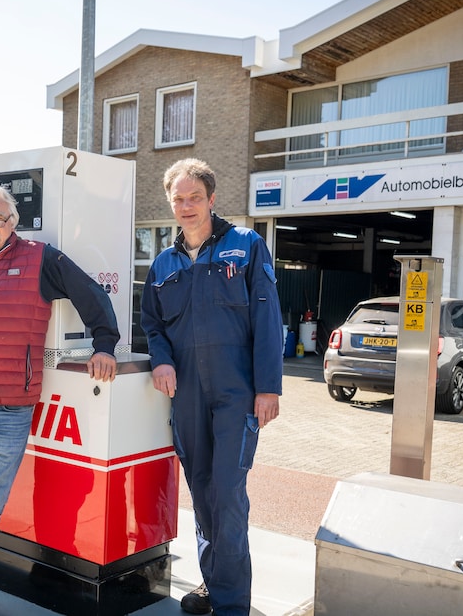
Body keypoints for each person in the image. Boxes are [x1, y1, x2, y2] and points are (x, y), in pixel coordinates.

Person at [0, 184, 120, 616]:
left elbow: (91, 293)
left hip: (10, 405)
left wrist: (104, 344)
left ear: (13, 222)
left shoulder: (40, 259)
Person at [139, 159, 283, 616]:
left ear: (211, 199)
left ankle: (231, 605)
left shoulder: (246, 245)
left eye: (195, 197)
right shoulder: (163, 264)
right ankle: (214, 583)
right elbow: (152, 323)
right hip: (188, 395)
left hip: (236, 391)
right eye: (178, 199)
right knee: (201, 491)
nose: (187, 206)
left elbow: (267, 315)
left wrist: (269, 387)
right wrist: (161, 359)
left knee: (227, 493)